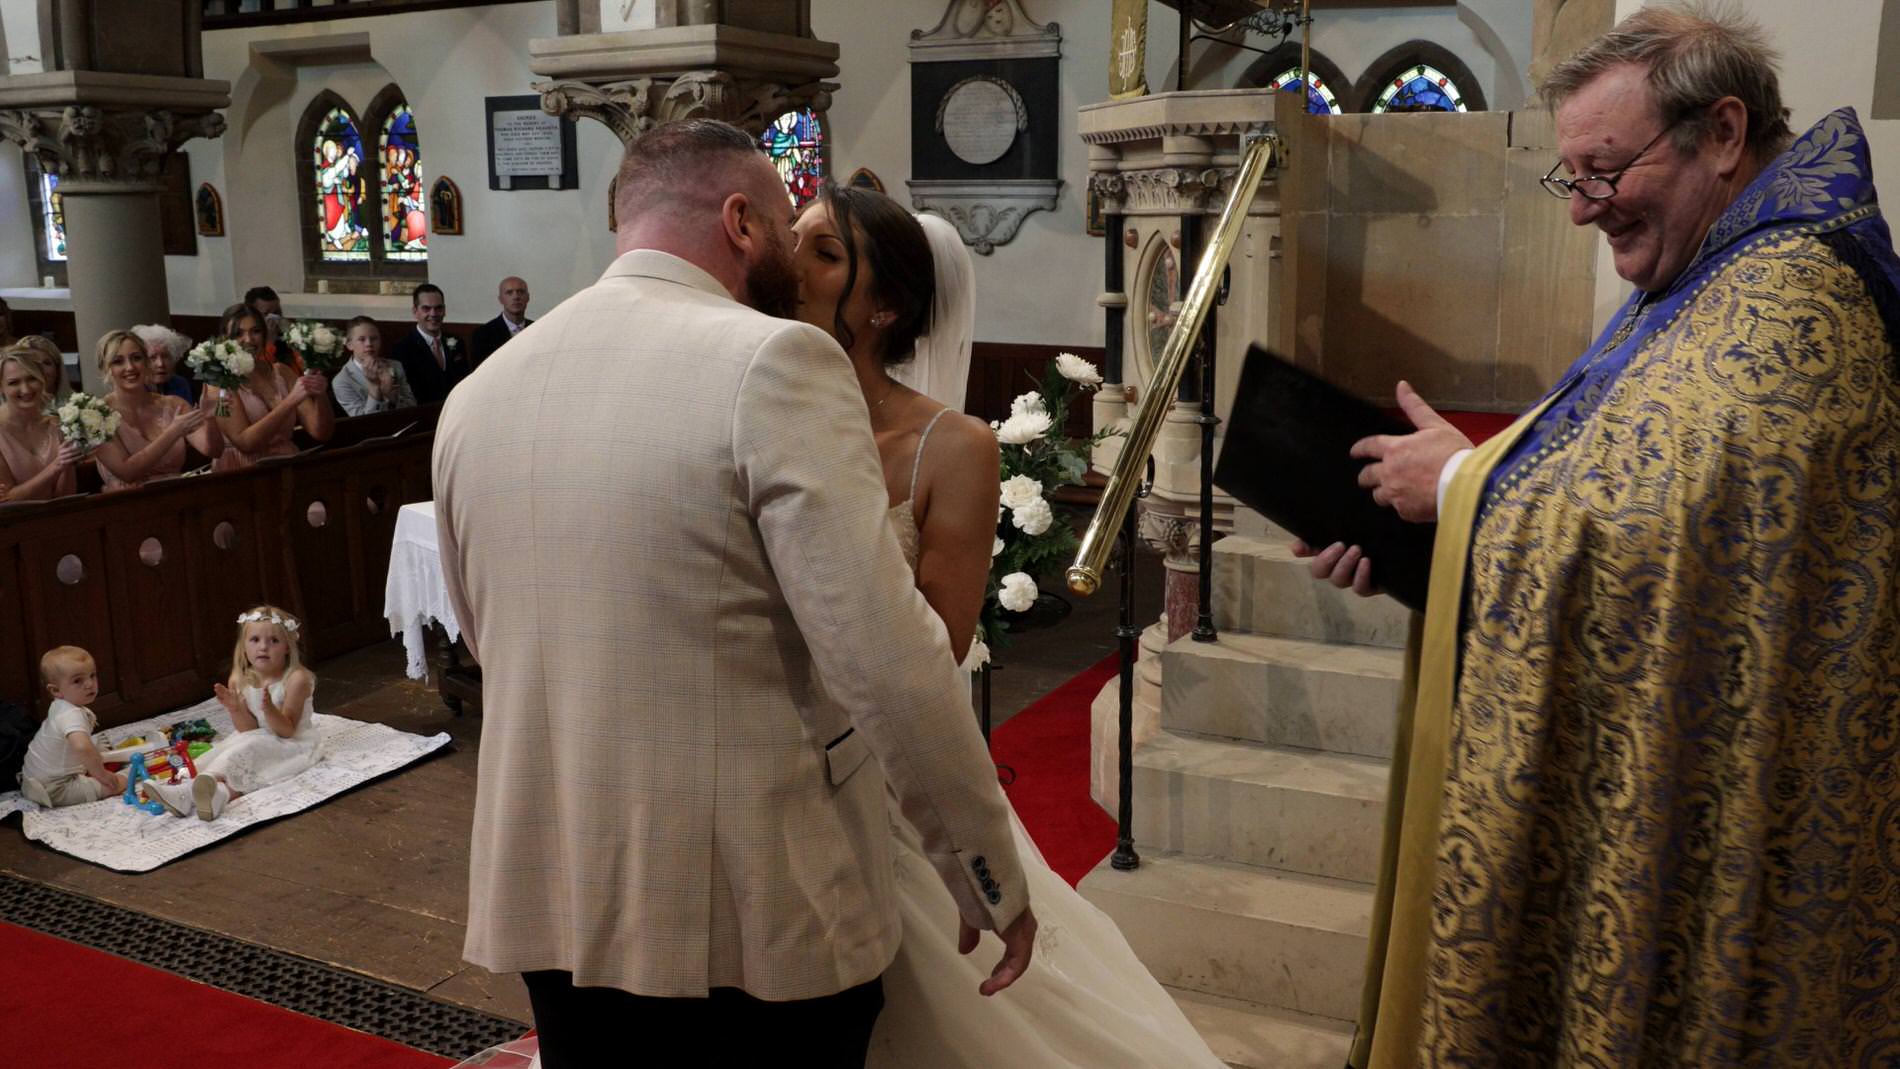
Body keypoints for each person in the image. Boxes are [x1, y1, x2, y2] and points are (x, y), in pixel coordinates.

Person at [1300, 6, 1900, 1066]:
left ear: (1721, 134)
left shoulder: (1793, 298)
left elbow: (1666, 529)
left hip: (1720, 839)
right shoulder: (1697, 274)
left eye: (1605, 171)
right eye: (1568, 177)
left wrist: (1459, 483)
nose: (1583, 211)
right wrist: (1427, 527)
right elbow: (1603, 470)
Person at [432, 119, 1034, 1069]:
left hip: (553, 885)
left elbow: (488, 637)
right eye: (789, 227)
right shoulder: (775, 364)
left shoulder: (479, 392)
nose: (795, 260)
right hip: (748, 908)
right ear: (741, 221)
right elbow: (883, 655)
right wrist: (983, 871)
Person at [791, 187, 1225, 1067]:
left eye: (825, 251)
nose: (789, 259)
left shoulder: (950, 446)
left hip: (868, 773)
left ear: (883, 307)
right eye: (791, 236)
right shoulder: (753, 402)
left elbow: (935, 649)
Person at [140, 606, 321, 822]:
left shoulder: (295, 679)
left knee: (246, 755)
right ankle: (210, 795)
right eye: (254, 640)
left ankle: (194, 794)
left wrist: (270, 710)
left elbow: (288, 731)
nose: (263, 647)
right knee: (232, 755)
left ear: (288, 648)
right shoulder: (240, 679)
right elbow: (248, 729)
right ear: (243, 646)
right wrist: (235, 708)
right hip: (259, 738)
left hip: (292, 744)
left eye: (274, 641)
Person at [92, 330, 222, 490]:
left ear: (146, 362)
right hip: (126, 504)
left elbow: (213, 450)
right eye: (118, 361)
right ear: (106, 368)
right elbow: (127, 473)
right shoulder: (95, 416)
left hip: (176, 496)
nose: (130, 367)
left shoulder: (174, 405)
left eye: (136, 358)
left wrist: (210, 418)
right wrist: (173, 432)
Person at [210, 304, 333, 468]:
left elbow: (321, 432)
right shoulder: (219, 382)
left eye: (255, 331)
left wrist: (320, 394)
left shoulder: (282, 371)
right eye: (238, 334)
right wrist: (290, 401)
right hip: (243, 469)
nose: (248, 340)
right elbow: (245, 443)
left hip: (287, 465)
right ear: (225, 338)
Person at [17, 646, 121, 808]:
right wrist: (101, 775)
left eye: (92, 676)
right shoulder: (70, 715)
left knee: (93, 754)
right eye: (77, 680)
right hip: (56, 789)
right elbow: (81, 746)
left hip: (32, 780)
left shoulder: (59, 706)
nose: (89, 684)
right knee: (118, 782)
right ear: (56, 690)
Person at [0, 347, 80, 501]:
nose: (25, 389)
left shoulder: (57, 425)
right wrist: (56, 466)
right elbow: (6, 500)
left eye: (32, 379)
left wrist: (67, 464)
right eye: (14, 382)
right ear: (1, 387)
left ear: (43, 379)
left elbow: (67, 496)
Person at [391, 284, 467, 404]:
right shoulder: (402, 349)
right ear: (415, 311)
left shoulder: (457, 342)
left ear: (444, 310)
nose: (433, 314)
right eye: (426, 308)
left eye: (438, 308)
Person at [332, 316, 416, 416]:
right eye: (362, 339)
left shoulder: (395, 365)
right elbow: (364, 423)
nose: (369, 344)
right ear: (350, 345)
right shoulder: (342, 381)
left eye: (374, 338)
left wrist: (391, 396)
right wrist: (375, 388)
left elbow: (412, 407)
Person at [468, 276, 533, 367]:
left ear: (528, 297)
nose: (516, 297)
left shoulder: (537, 328)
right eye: (509, 293)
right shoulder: (483, 334)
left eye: (521, 292)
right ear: (501, 299)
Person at [131, 323, 196, 402]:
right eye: (152, 357)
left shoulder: (180, 384)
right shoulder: (133, 389)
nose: (160, 364)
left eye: (165, 356)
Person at [245, 285, 300, 373]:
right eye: (266, 314)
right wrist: (269, 342)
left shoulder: (286, 335)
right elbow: (261, 373)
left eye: (277, 312)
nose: (274, 318)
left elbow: (301, 369)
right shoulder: (249, 340)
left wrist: (294, 337)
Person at [12, 334, 69, 412]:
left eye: (46, 363)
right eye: (33, 363)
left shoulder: (78, 404)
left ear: (57, 369)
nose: (40, 369)